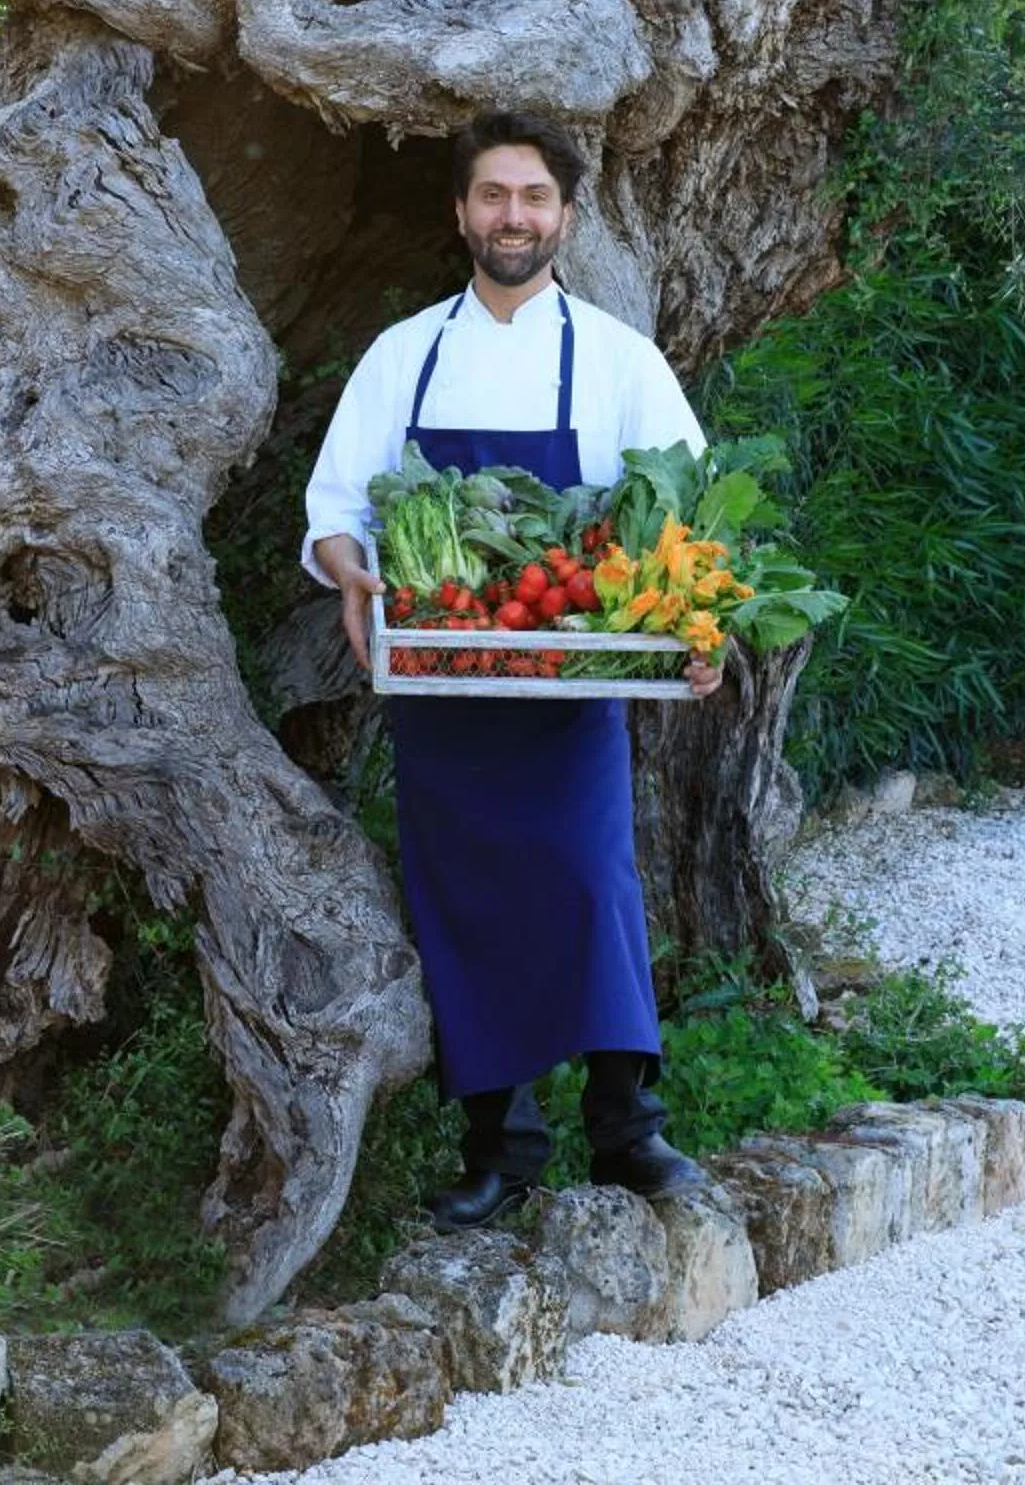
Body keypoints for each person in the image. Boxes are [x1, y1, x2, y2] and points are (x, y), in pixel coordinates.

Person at [300, 111, 720, 1233]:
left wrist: (697, 625)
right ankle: (503, 1143)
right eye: (494, 196)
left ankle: (629, 1127)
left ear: (566, 218)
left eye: (533, 197)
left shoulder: (621, 361)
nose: (513, 216)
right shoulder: (404, 355)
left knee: (592, 881)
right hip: (443, 680)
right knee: (465, 901)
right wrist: (352, 576)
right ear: (461, 213)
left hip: (570, 676)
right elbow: (338, 510)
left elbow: (689, 511)